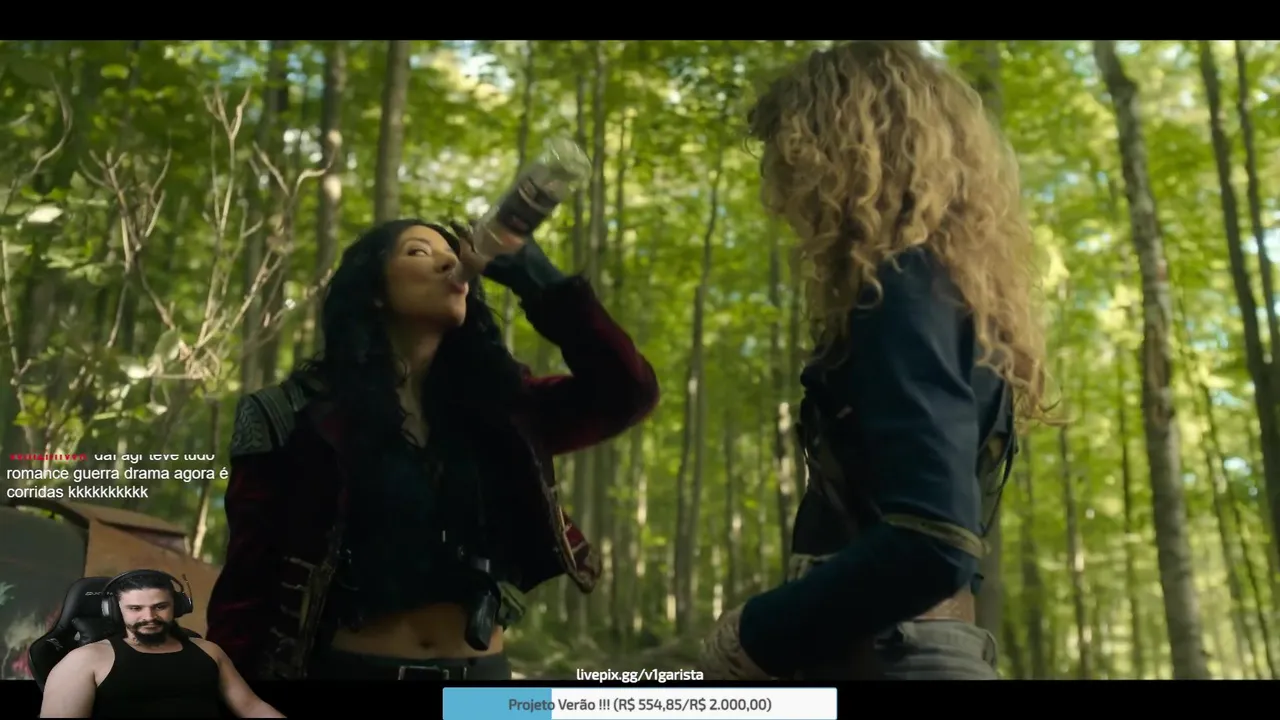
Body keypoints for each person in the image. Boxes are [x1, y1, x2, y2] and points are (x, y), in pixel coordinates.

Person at [698, 41, 1050, 680]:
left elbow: (933, 539)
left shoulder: (901, 285)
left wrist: (756, 630)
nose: (782, 194)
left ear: (844, 152)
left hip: (893, 657)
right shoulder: (949, 291)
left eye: (793, 160)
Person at [206, 219, 658, 681]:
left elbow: (628, 393)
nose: (448, 261)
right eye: (419, 251)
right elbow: (246, 588)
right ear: (374, 290)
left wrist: (537, 278)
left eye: (452, 254)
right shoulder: (291, 416)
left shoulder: (505, 411)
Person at [39, 570, 283, 718]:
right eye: (135, 608)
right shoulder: (83, 660)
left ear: (178, 606)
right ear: (114, 611)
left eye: (160, 606)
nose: (149, 617)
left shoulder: (209, 651)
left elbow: (252, 707)